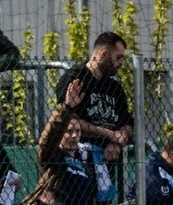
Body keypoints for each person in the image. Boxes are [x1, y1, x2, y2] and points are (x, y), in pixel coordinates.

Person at [56, 32, 133, 160]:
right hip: (80, 159)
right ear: (103, 54)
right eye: (118, 58)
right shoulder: (75, 79)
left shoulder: (115, 87)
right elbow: (68, 120)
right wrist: (110, 134)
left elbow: (127, 123)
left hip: (110, 160)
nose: (121, 63)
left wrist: (116, 143)